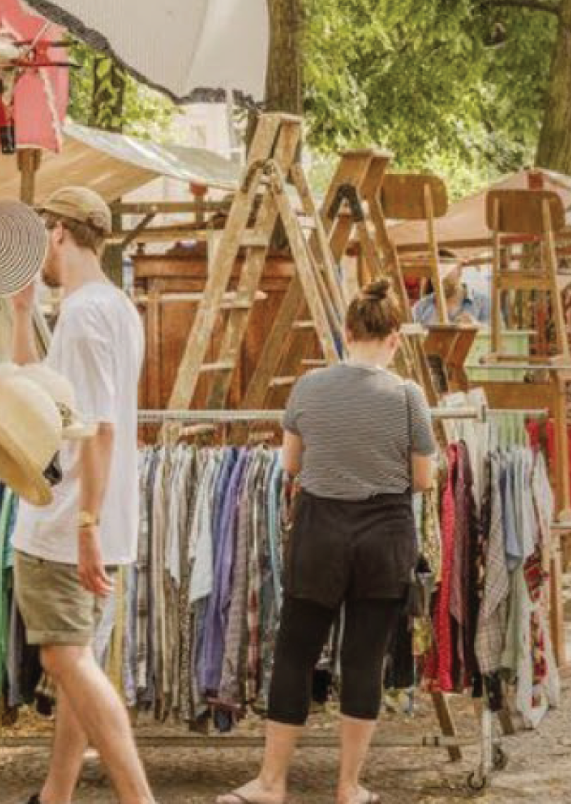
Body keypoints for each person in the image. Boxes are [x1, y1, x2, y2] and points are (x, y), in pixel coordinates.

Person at [224, 280, 436, 804]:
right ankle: (348, 786)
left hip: (320, 528)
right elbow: (423, 479)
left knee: (295, 653)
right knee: (364, 659)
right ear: (395, 338)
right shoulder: (408, 397)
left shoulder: (309, 388)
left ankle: (271, 782)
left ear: (345, 332)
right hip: (384, 534)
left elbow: (292, 464)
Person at [22, 187, 154, 804]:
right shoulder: (117, 309)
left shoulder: (82, 315)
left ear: (58, 233)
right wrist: (21, 313)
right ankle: (56, 795)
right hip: (100, 514)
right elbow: (40, 395)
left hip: (68, 518)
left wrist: (84, 525)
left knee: (64, 659)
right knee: (78, 663)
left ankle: (138, 797)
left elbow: (98, 427)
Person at [411, 249, 487, 326]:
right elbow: (411, 333)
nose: (440, 277)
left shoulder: (483, 303)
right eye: (433, 272)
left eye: (445, 270)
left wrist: (477, 327)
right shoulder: (420, 308)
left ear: (459, 270)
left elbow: (493, 331)